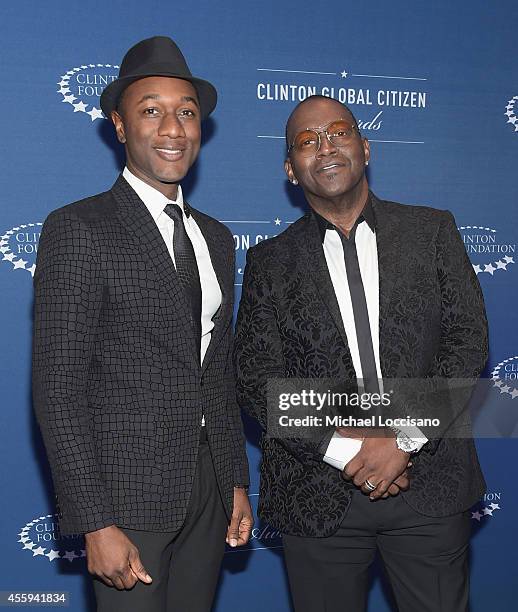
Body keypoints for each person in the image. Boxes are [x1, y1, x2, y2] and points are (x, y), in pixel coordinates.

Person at [234, 94, 488, 612]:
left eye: (338, 132)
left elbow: (467, 342)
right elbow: (258, 378)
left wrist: (404, 439)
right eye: (307, 141)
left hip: (431, 486)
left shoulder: (432, 230)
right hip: (318, 497)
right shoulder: (269, 261)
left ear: (365, 148)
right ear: (290, 167)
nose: (325, 146)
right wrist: (348, 451)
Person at [32, 36, 252, 612]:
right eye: (151, 111)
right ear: (120, 126)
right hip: (124, 496)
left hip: (206, 491)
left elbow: (217, 372)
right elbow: (59, 386)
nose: (173, 128)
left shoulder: (218, 238)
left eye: (186, 112)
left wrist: (233, 478)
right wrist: (94, 521)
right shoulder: (79, 227)